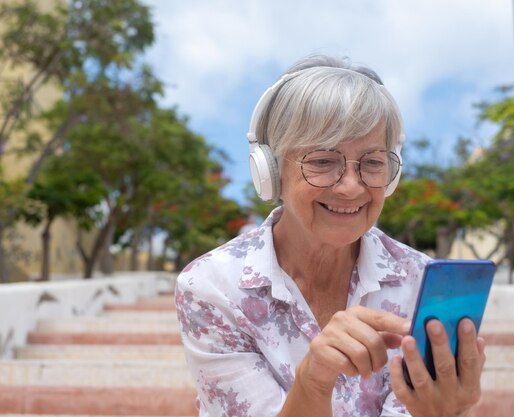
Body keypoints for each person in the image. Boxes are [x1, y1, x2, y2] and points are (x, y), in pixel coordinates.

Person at [175, 54, 485, 417]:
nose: (351, 188)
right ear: (270, 171)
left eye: (372, 163)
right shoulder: (212, 288)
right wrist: (313, 382)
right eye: (322, 161)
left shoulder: (423, 281)